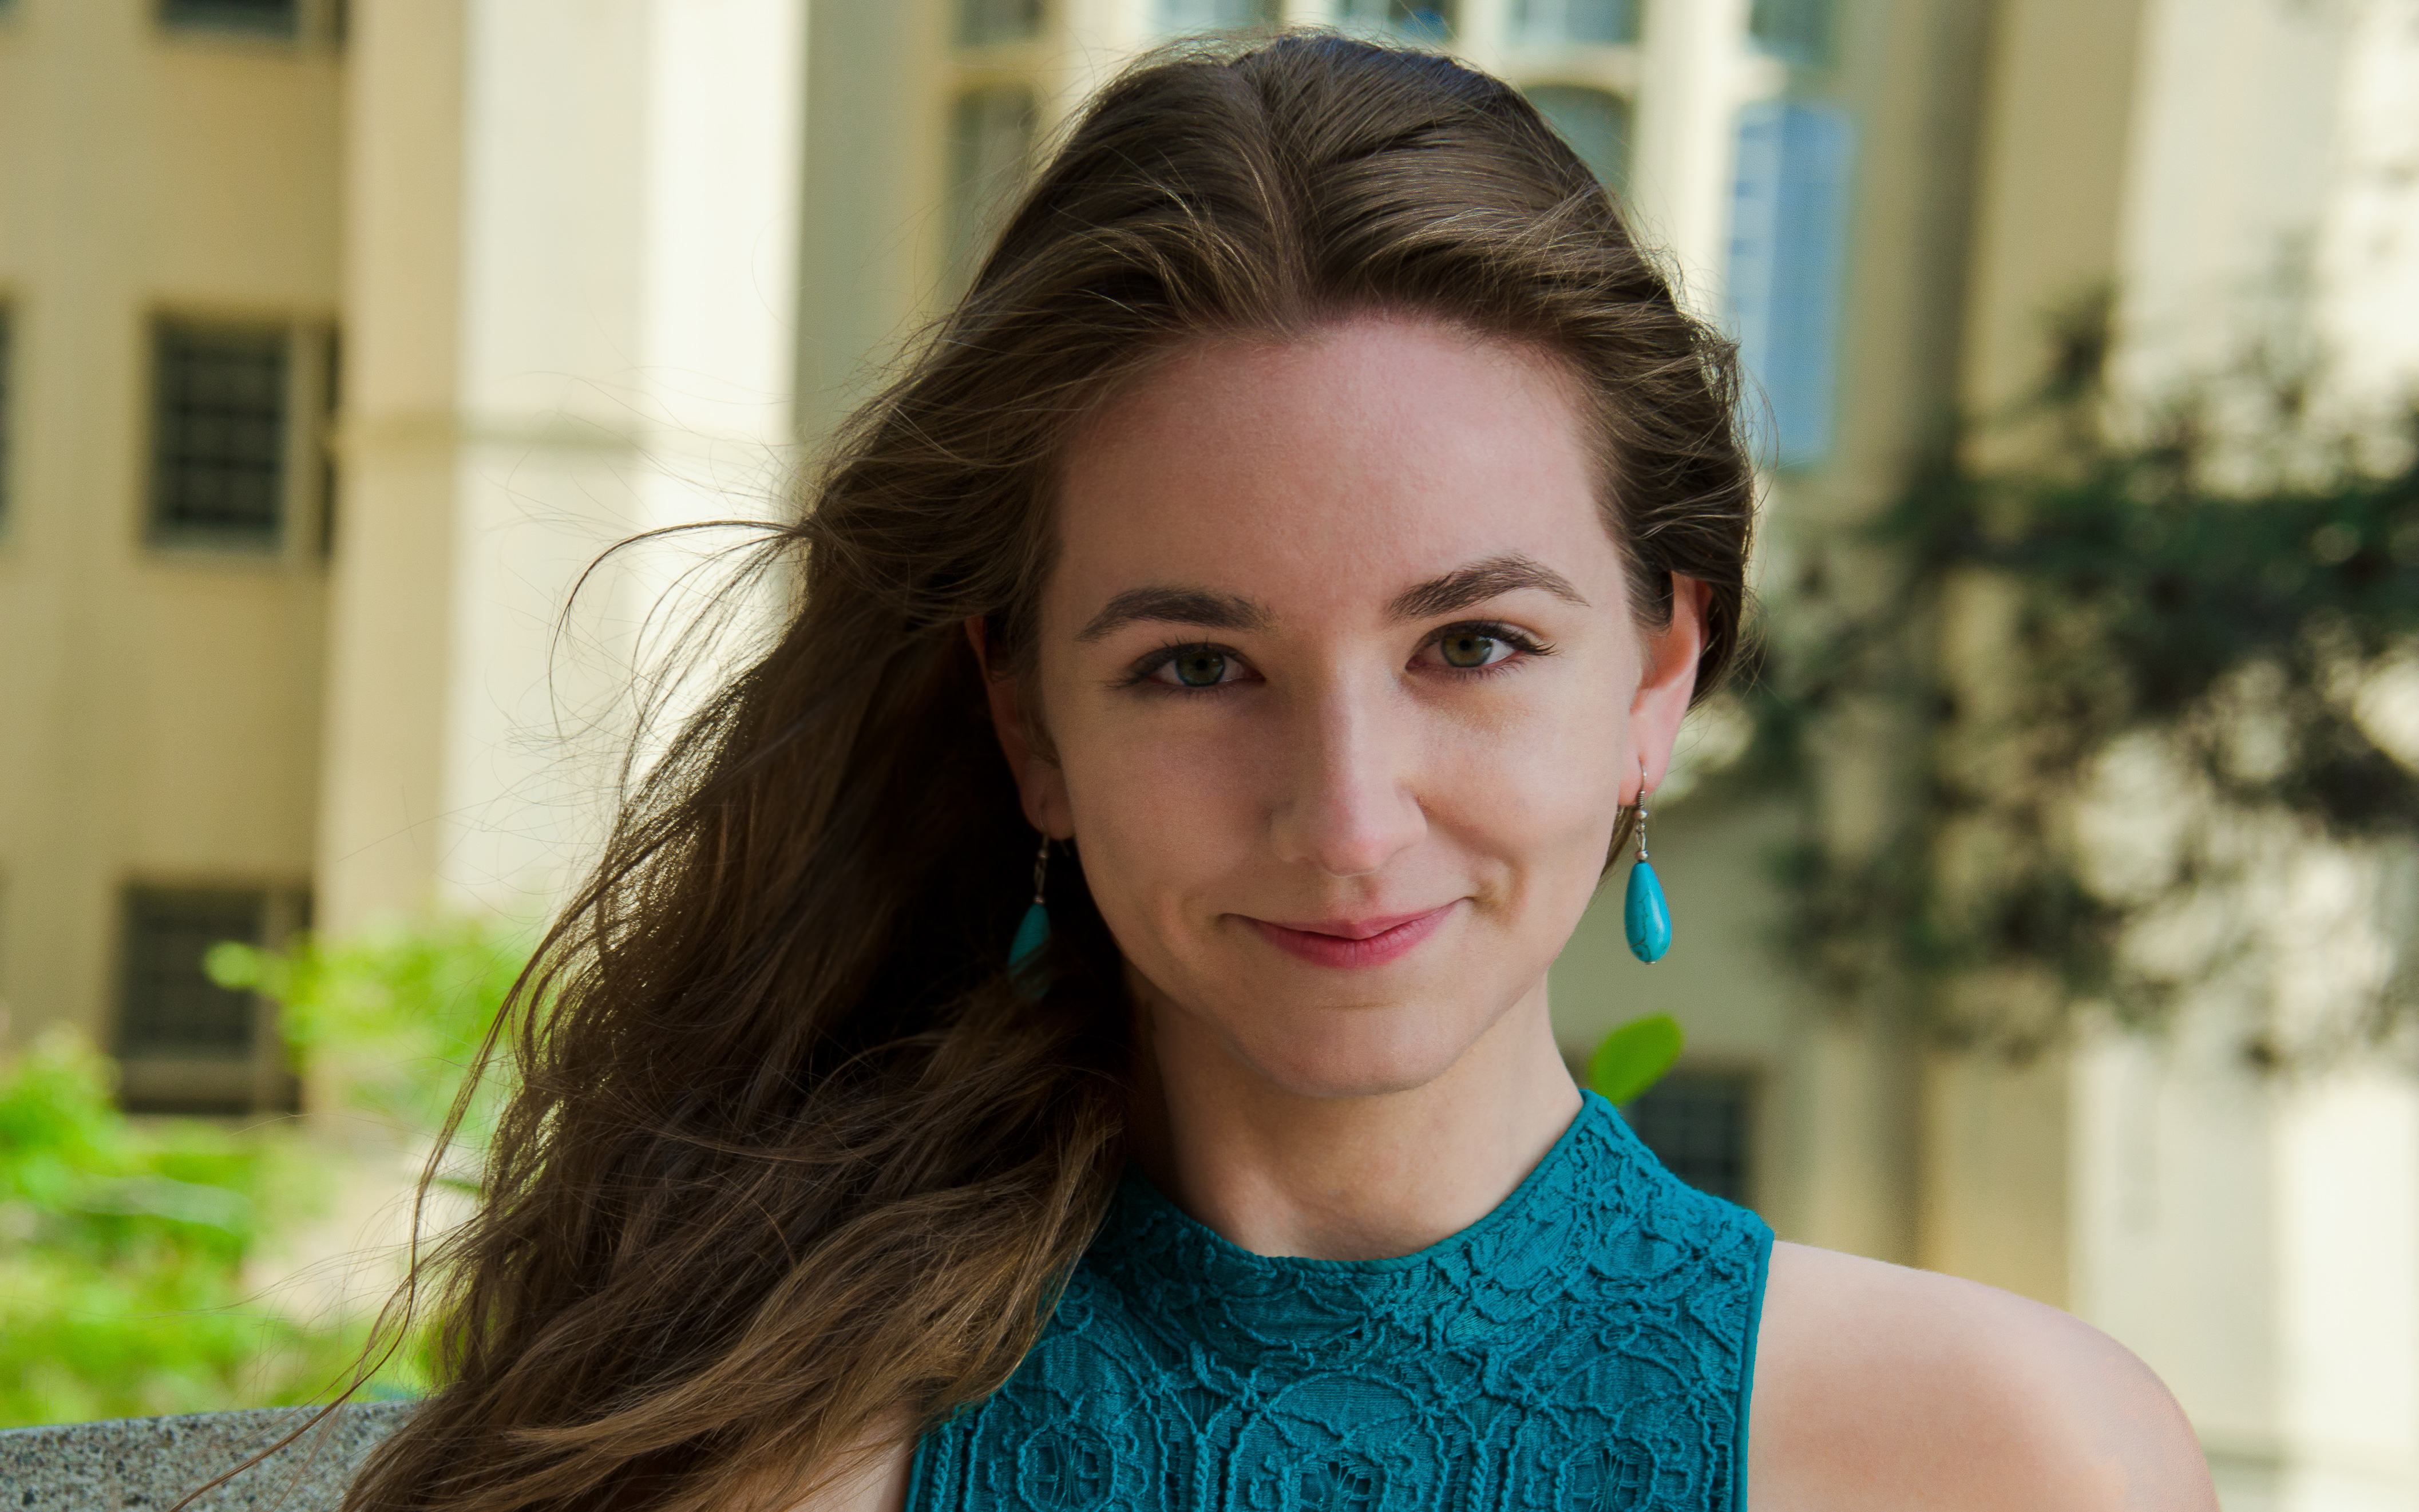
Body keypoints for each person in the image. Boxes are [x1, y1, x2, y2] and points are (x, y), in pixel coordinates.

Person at [345, 33, 2216, 1512]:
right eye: (1194, 666)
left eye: (1470, 644)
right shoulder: (744, 1463)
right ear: (1028, 729)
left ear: (1659, 673)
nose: (1344, 815)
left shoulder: (2015, 1465)